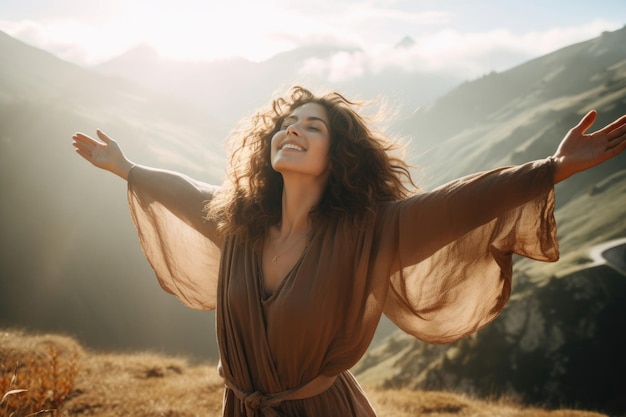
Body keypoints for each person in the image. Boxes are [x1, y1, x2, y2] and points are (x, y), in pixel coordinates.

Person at [72, 86, 626, 416]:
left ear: (337, 157)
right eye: (285, 125)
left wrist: (553, 169)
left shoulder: (368, 233)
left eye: (311, 126)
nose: (292, 130)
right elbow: (184, 192)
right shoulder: (238, 223)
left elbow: (460, 203)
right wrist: (125, 167)